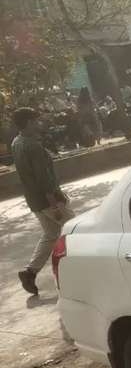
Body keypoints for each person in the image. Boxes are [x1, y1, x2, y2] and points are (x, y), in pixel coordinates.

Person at [11, 108, 75, 296]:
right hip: (47, 200)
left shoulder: (17, 142)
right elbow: (43, 179)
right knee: (75, 229)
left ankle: (30, 272)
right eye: (36, 120)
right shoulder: (33, 146)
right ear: (29, 122)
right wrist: (54, 204)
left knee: (51, 234)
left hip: (34, 199)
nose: (40, 124)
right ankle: (79, 270)